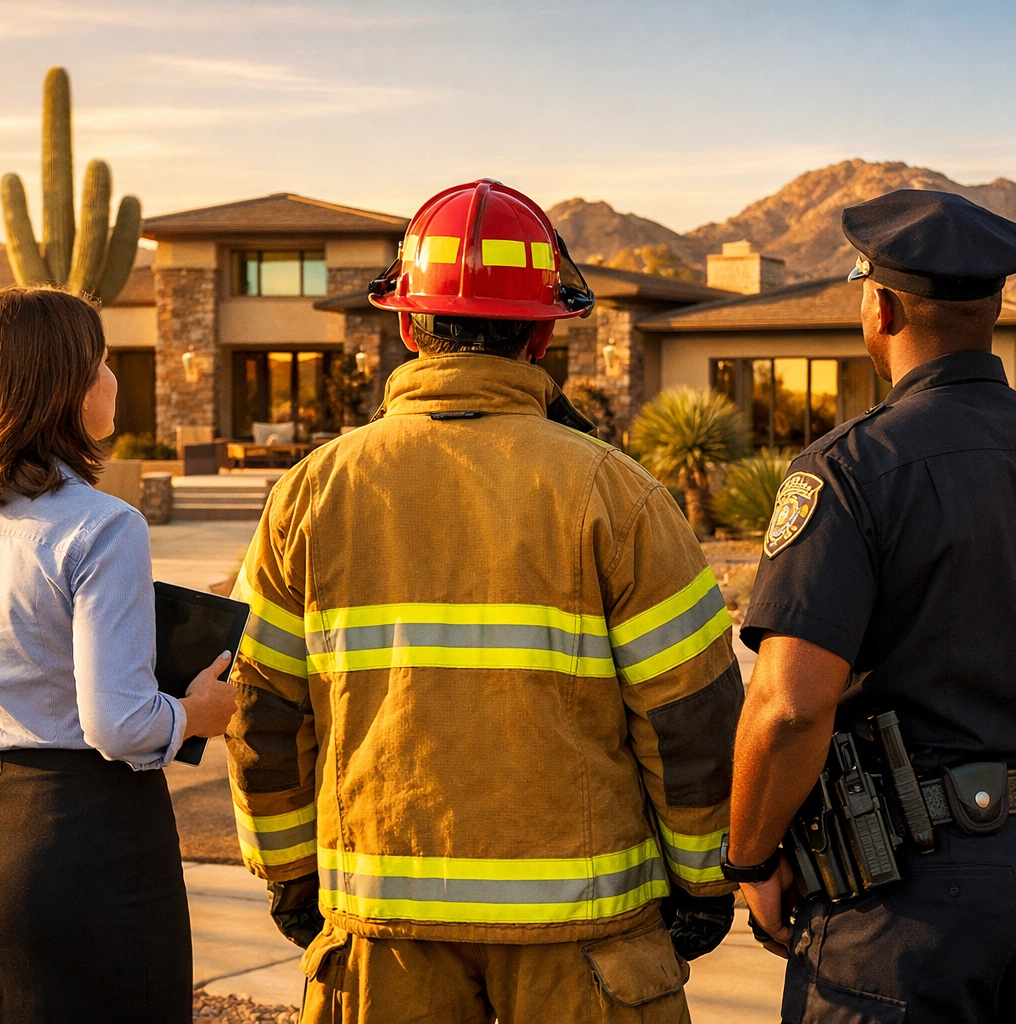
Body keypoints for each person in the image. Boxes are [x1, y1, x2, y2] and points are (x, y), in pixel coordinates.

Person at [224, 179, 741, 1023]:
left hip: (382, 940)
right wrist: (706, 876)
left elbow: (261, 709)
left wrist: (287, 875)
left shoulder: (311, 493)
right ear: (543, 331)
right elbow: (690, 715)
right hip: (590, 944)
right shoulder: (618, 493)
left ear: (406, 324)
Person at [725, 190, 1016, 1023]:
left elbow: (791, 707)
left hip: (906, 902)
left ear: (882, 307)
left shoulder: (848, 472)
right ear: (995, 308)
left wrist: (752, 859)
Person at [0, 287, 237, 1024]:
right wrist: (197, 712)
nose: (113, 378)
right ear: (66, 390)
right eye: (103, 363)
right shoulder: (104, 526)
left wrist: (5, 689)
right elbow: (116, 725)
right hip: (87, 849)